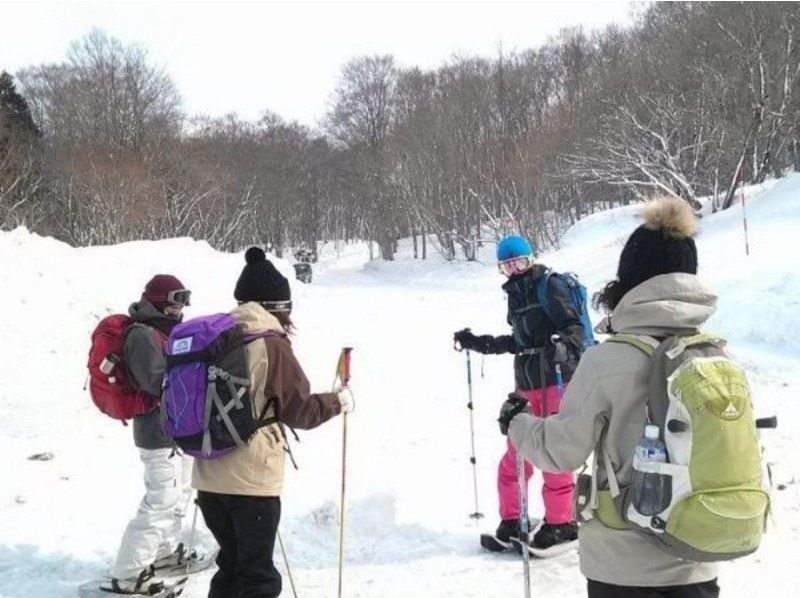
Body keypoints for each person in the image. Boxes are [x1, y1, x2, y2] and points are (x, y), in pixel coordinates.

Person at [499, 197, 720, 597]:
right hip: (698, 561)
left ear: (629, 279)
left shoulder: (607, 361)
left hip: (624, 569)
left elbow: (560, 452)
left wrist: (518, 422)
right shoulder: (715, 355)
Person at [193, 247, 353, 598]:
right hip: (250, 480)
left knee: (231, 567)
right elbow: (301, 411)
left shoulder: (212, 338)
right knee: (257, 577)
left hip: (207, 479)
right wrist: (338, 401)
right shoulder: (270, 343)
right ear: (279, 307)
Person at [453, 235, 584, 554]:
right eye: (507, 265)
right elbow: (518, 341)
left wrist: (562, 345)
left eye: (520, 262)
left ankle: (561, 523)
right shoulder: (513, 294)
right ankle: (512, 520)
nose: (514, 269)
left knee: (551, 452)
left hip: (554, 381)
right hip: (525, 385)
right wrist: (479, 342)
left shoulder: (549, 285)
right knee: (516, 454)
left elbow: (574, 327)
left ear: (531, 259)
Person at [110, 274, 196, 593]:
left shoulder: (163, 332)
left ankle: (161, 553)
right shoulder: (143, 335)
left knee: (179, 495)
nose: (182, 306)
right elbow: (156, 381)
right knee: (160, 501)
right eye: (178, 298)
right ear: (160, 300)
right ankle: (129, 572)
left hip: (174, 431)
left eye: (186, 298)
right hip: (156, 432)